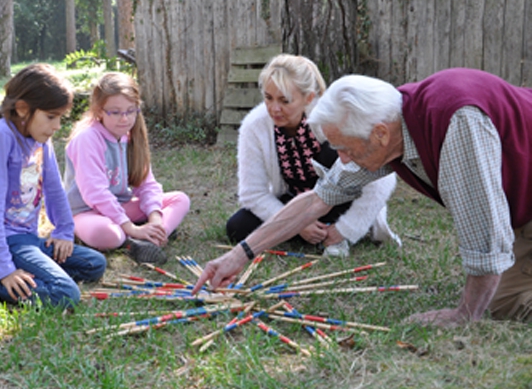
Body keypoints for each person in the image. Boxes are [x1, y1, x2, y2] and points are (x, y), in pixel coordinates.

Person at [194, 67, 532, 328]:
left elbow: (486, 232)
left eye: (344, 148)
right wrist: (239, 255)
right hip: (519, 202)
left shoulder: (457, 122)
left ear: (380, 134)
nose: (341, 159)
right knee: (502, 298)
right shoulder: (388, 125)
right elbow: (317, 200)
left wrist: (464, 315)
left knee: (503, 304)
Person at [0, 63, 107, 308]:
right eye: (51, 117)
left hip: (26, 239)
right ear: (23, 109)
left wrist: (64, 232)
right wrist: (4, 270)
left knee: (94, 264)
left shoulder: (39, 138)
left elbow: (54, 189)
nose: (57, 126)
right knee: (65, 293)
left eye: (59, 118)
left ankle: (22, 270)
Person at [226, 54, 401, 256]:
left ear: (308, 98)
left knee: (332, 152)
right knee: (238, 226)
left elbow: (382, 180)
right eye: (268, 97)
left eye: (285, 100)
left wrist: (346, 229)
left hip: (340, 200)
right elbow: (253, 194)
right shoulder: (254, 126)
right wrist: (297, 224)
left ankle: (335, 235)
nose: (274, 108)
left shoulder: (332, 118)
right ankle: (316, 234)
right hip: (296, 201)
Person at [64, 72, 190, 264]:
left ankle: (153, 235)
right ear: (99, 111)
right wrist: (131, 228)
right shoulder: (86, 139)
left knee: (180, 200)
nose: (124, 118)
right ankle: (135, 238)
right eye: (115, 112)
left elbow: (147, 185)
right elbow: (95, 193)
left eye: (131, 111)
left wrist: (155, 219)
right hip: (86, 213)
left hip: (119, 208)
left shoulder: (130, 136)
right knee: (109, 235)